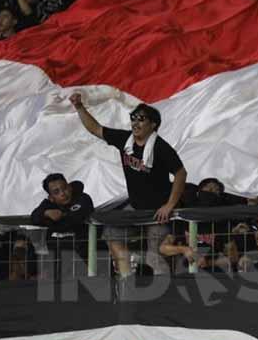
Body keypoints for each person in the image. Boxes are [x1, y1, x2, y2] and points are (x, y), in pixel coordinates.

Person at [69, 94, 187, 277]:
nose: (135, 123)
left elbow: (181, 173)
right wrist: (79, 107)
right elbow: (96, 129)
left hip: (157, 211)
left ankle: (166, 299)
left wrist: (170, 205)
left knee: (156, 256)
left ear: (153, 124)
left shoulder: (161, 147)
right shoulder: (125, 140)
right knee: (111, 233)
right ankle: (126, 279)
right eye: (133, 118)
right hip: (135, 207)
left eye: (141, 119)